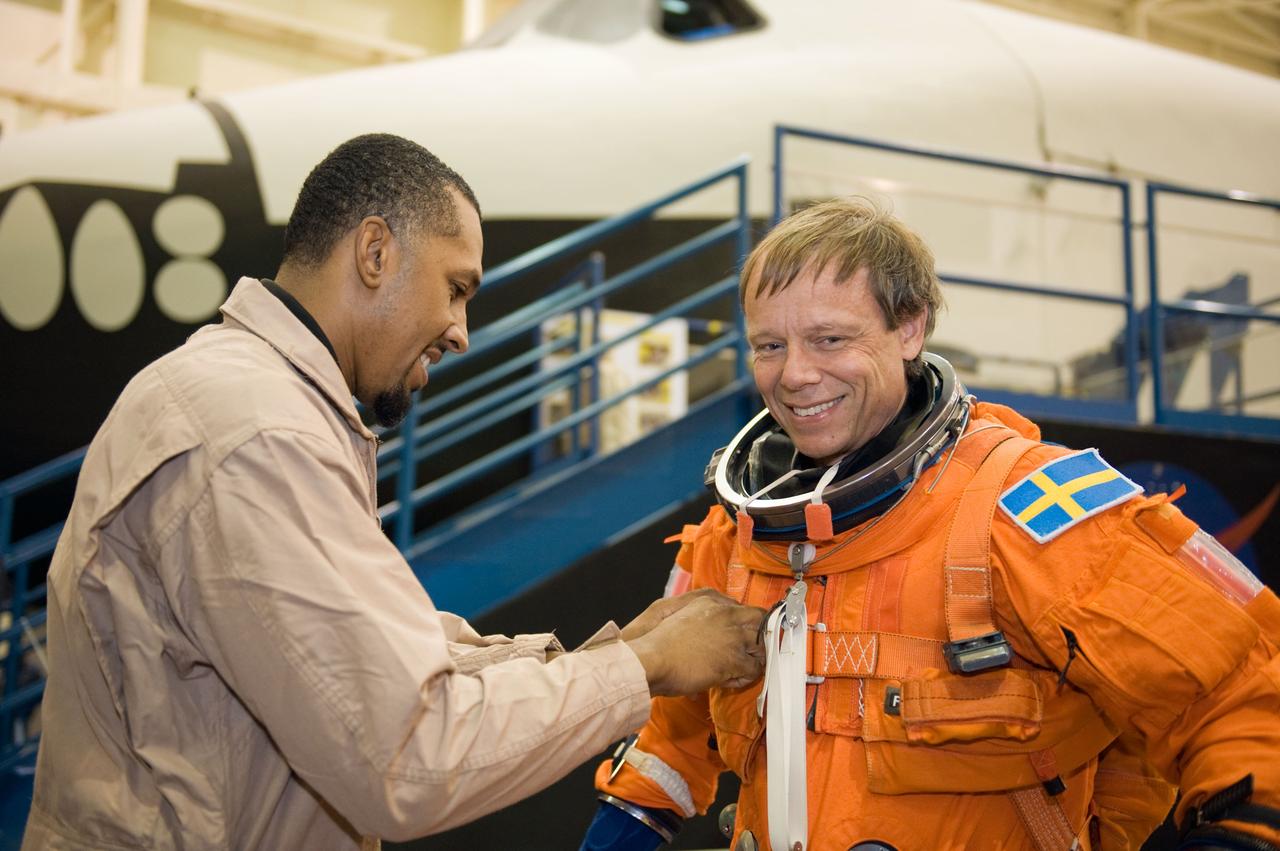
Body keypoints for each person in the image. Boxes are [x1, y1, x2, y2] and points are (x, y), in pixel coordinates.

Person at [22, 134, 765, 850]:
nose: (461, 332)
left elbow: (376, 657)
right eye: (456, 289)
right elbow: (408, 753)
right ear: (375, 252)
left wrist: (624, 647)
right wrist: (646, 665)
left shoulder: (253, 402)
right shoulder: (255, 434)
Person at [583, 198, 1280, 851]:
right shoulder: (738, 534)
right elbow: (667, 743)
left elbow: (1243, 686)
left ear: (909, 328)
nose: (794, 374)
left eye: (830, 338)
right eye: (769, 345)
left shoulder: (1026, 513)